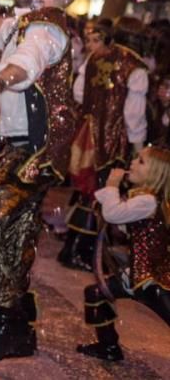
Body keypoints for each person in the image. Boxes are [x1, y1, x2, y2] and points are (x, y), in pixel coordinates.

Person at [0, 0, 80, 362]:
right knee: (15, 233)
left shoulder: (47, 28)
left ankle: (8, 316)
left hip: (35, 149)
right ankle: (17, 321)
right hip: (18, 146)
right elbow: (4, 29)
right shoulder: (26, 21)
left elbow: (27, 63)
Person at [63, 18, 149, 271]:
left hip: (87, 133)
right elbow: (134, 116)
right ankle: (80, 250)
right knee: (101, 192)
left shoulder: (95, 57)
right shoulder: (136, 68)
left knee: (87, 192)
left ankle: (75, 247)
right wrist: (139, 148)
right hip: (111, 138)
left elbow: (79, 92)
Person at [76, 146, 170, 362]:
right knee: (96, 292)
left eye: (141, 162)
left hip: (153, 282)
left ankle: (108, 347)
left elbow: (113, 214)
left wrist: (112, 185)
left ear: (156, 173)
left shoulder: (148, 201)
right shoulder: (145, 198)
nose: (133, 163)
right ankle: (108, 347)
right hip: (138, 276)